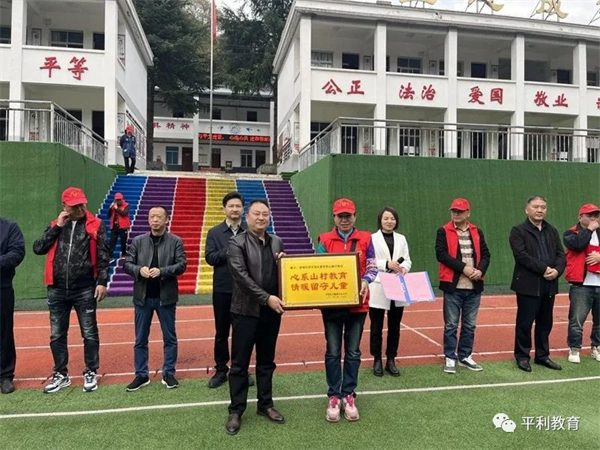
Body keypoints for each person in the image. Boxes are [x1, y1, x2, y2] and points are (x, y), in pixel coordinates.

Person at [33, 187, 110, 393]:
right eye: (74, 206)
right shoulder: (55, 225)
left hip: (85, 288)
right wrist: (57, 227)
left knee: (89, 332)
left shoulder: (96, 224)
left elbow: (104, 255)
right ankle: (61, 374)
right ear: (64, 206)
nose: (79, 208)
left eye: (82, 204)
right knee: (57, 334)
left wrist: (102, 281)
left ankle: (91, 370)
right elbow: (38, 248)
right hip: (57, 289)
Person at [225, 199, 285, 435]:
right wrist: (266, 298)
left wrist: (285, 266)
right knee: (239, 364)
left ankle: (265, 404)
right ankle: (236, 410)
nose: (261, 218)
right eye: (256, 214)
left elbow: (284, 273)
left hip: (271, 313)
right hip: (245, 312)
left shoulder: (277, 241)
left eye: (265, 214)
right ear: (247, 217)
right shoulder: (236, 242)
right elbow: (241, 277)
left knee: (267, 361)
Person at [317, 198, 377, 423]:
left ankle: (349, 394)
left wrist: (366, 280)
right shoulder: (324, 239)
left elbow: (372, 265)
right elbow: (319, 268)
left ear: (355, 216)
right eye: (340, 216)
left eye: (348, 216)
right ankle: (334, 395)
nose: (344, 220)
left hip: (358, 304)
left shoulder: (366, 238)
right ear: (334, 217)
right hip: (332, 306)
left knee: (352, 352)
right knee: (333, 352)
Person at [123, 206, 187, 391]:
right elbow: (127, 264)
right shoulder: (138, 241)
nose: (155, 220)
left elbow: (182, 265)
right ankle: (141, 375)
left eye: (159, 217)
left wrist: (162, 271)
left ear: (166, 220)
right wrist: (138, 270)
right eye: (152, 217)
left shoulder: (175, 241)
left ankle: (169, 373)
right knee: (140, 339)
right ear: (148, 219)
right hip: (142, 298)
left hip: (166, 297)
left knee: (170, 337)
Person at [510, 195, 565, 372]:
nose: (540, 210)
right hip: (528, 285)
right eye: (536, 207)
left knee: (545, 323)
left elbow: (561, 255)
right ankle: (522, 356)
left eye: (543, 207)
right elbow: (521, 256)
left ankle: (542, 356)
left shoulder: (552, 230)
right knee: (525, 323)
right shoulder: (518, 231)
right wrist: (544, 269)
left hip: (549, 284)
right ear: (527, 210)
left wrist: (557, 271)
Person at [205, 192, 255, 388]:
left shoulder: (250, 231)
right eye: (231, 206)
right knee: (221, 332)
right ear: (224, 209)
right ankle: (220, 370)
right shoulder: (215, 232)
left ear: (243, 210)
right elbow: (210, 258)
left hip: (246, 290)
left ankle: (240, 369)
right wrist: (230, 250)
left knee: (243, 332)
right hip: (223, 289)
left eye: (238, 206)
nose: (235, 209)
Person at [436, 198, 491, 374]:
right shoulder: (443, 231)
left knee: (470, 325)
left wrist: (480, 271)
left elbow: (486, 255)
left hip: (474, 286)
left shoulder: (476, 231)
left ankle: (465, 356)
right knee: (451, 325)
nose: (456, 214)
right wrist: (464, 268)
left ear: (468, 213)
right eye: (454, 211)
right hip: (453, 286)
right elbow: (441, 255)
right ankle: (450, 357)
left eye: (460, 211)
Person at [368, 206, 412, 377]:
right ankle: (377, 359)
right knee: (376, 326)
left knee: (395, 326)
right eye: (386, 218)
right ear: (380, 220)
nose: (389, 221)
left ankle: (391, 359)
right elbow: (369, 260)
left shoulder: (401, 239)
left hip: (397, 284)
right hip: (378, 284)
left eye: (392, 218)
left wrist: (404, 268)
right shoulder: (372, 238)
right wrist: (386, 264)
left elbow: (407, 259)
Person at [563, 203, 600, 364]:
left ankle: (596, 347)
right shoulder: (571, 233)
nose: (593, 218)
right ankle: (575, 348)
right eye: (589, 215)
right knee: (577, 319)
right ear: (580, 217)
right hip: (581, 285)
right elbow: (578, 245)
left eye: (596, 215)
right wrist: (589, 229)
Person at [0, 217, 25, 394]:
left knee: (3, 332)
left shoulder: (9, 227)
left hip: (2, 287)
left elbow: (17, 253)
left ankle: (5, 376)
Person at [108, 192, 131, 262]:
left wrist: (117, 208)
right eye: (117, 200)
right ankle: (110, 256)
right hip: (114, 226)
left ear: (122, 199)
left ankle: (124, 254)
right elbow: (108, 215)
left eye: (119, 199)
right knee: (112, 241)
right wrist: (110, 208)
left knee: (123, 241)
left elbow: (124, 213)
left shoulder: (126, 205)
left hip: (123, 226)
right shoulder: (113, 206)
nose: (118, 201)